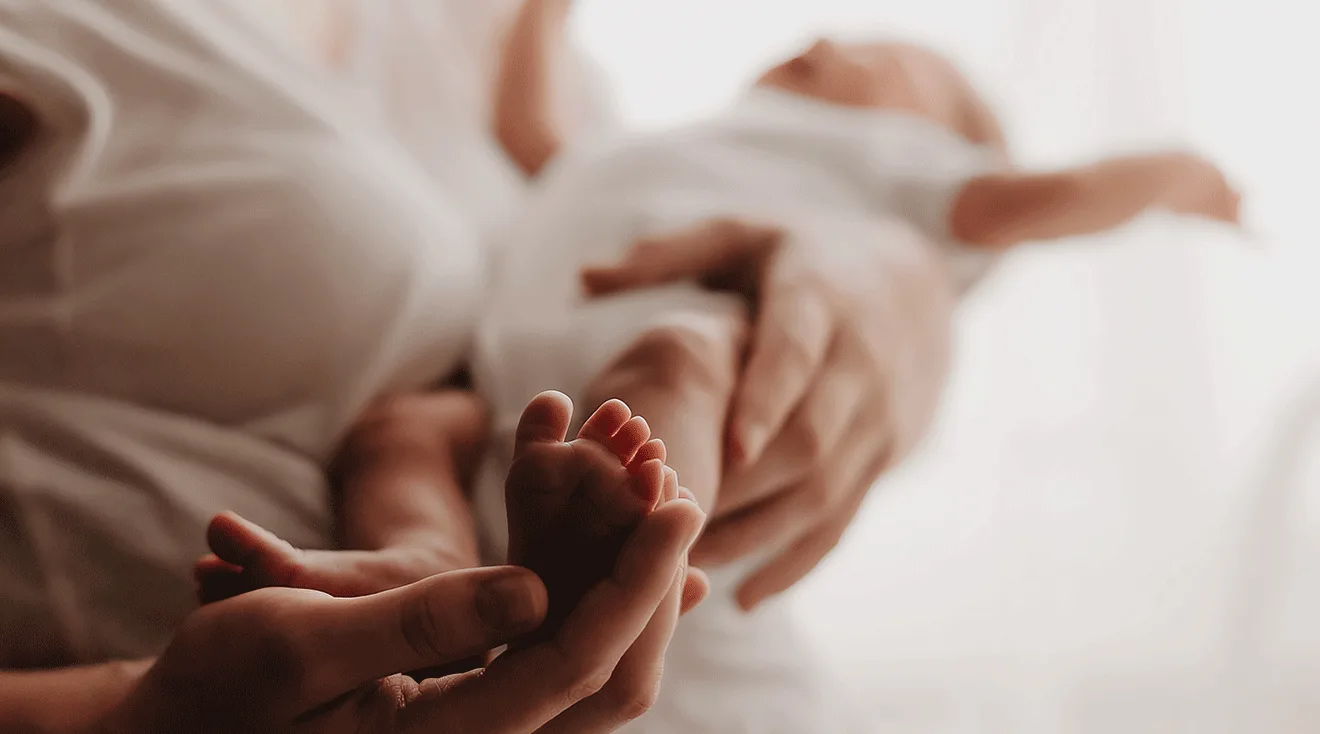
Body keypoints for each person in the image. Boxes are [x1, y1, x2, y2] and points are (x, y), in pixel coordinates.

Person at [0, 0, 704, 731]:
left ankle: (432, 554)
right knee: (408, 443)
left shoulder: (519, 67)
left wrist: (762, 296)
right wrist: (117, 711)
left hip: (460, 399)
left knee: (416, 441)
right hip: (426, 420)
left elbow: (572, 193)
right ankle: (436, 555)